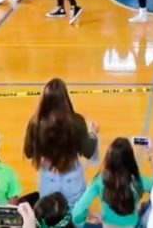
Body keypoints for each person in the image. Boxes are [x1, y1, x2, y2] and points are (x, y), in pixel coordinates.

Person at [23, 78, 100, 207]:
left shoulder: (35, 122)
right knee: (75, 220)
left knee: (49, 218)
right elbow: (88, 152)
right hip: (73, 179)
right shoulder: (76, 121)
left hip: (48, 179)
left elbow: (28, 152)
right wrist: (93, 133)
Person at [72, 137, 153, 227]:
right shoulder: (138, 181)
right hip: (133, 226)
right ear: (130, 160)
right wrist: (151, 155)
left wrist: (89, 215)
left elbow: (77, 212)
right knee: (149, 205)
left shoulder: (100, 180)